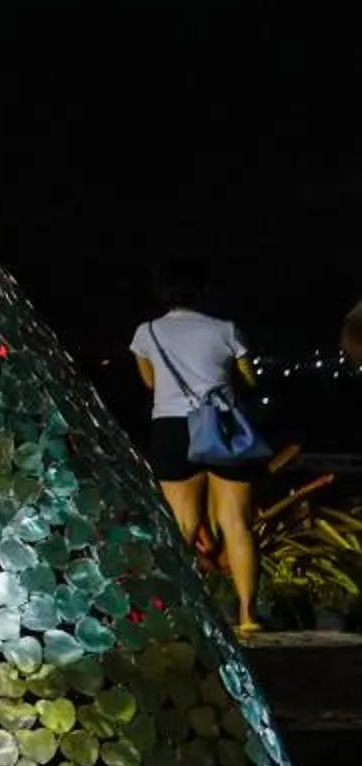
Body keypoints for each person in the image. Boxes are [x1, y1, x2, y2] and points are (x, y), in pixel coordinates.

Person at [131, 263, 260, 634]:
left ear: (162, 293)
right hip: (224, 425)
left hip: (172, 427)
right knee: (237, 523)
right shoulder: (226, 329)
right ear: (201, 290)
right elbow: (248, 379)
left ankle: (171, 611)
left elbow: (150, 382)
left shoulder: (147, 333)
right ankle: (249, 615)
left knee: (183, 525)